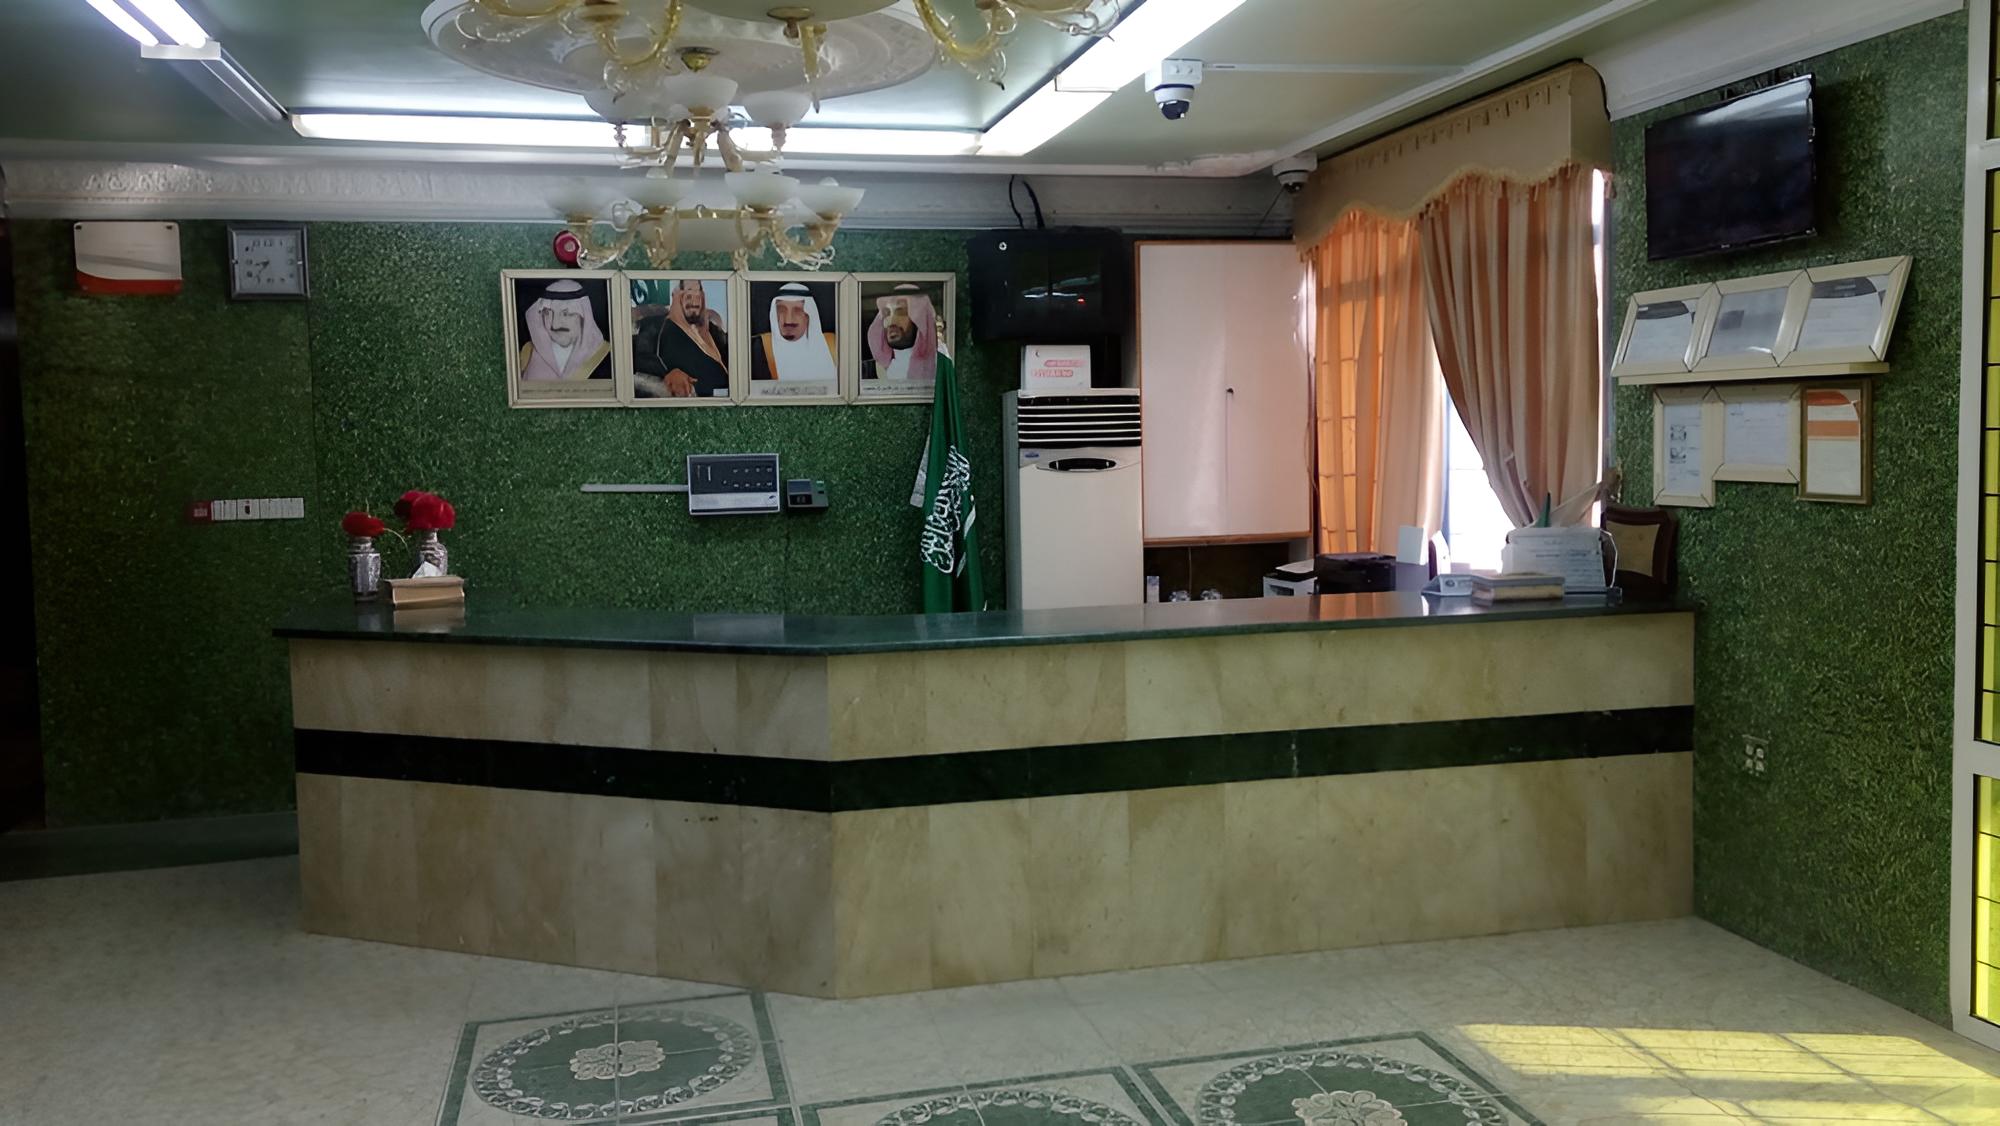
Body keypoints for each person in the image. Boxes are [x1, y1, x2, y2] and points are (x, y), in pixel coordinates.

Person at [633, 279, 730, 398]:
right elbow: (640, 359)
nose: (694, 302)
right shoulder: (656, 325)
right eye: (688, 296)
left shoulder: (713, 331)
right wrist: (668, 374)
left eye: (698, 296)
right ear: (675, 297)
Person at [518, 278, 610, 381]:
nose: (555, 325)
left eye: (566, 314)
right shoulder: (527, 353)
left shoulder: (607, 357)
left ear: (584, 316)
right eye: (548, 313)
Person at [751, 282, 839, 383]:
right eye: (781, 310)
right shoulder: (758, 348)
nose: (788, 320)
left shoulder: (833, 345)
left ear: (809, 315)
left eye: (797, 310)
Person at [865, 284, 939, 382]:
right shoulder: (865, 371)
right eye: (887, 313)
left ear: (920, 320)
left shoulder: (941, 368)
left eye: (900, 312)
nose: (891, 322)